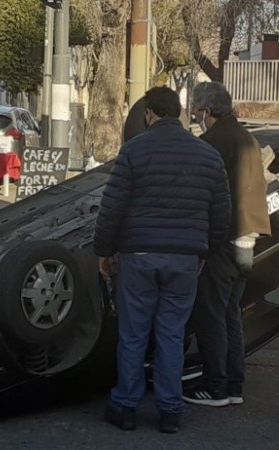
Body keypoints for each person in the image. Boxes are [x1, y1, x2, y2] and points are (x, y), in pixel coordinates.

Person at [94, 86, 230, 433]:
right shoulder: (208, 155)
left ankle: (125, 406)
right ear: (181, 113)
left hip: (138, 256)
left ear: (149, 114)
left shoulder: (134, 150)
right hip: (185, 259)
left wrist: (104, 252)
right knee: (171, 335)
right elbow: (221, 215)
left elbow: (112, 208)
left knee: (134, 334)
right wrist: (205, 252)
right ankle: (170, 411)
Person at [182, 82, 271, 407]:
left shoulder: (213, 143)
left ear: (207, 111)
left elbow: (204, 196)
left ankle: (215, 385)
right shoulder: (246, 137)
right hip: (249, 237)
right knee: (231, 314)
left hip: (224, 240)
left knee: (211, 314)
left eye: (197, 110)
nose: (196, 116)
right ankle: (234, 383)